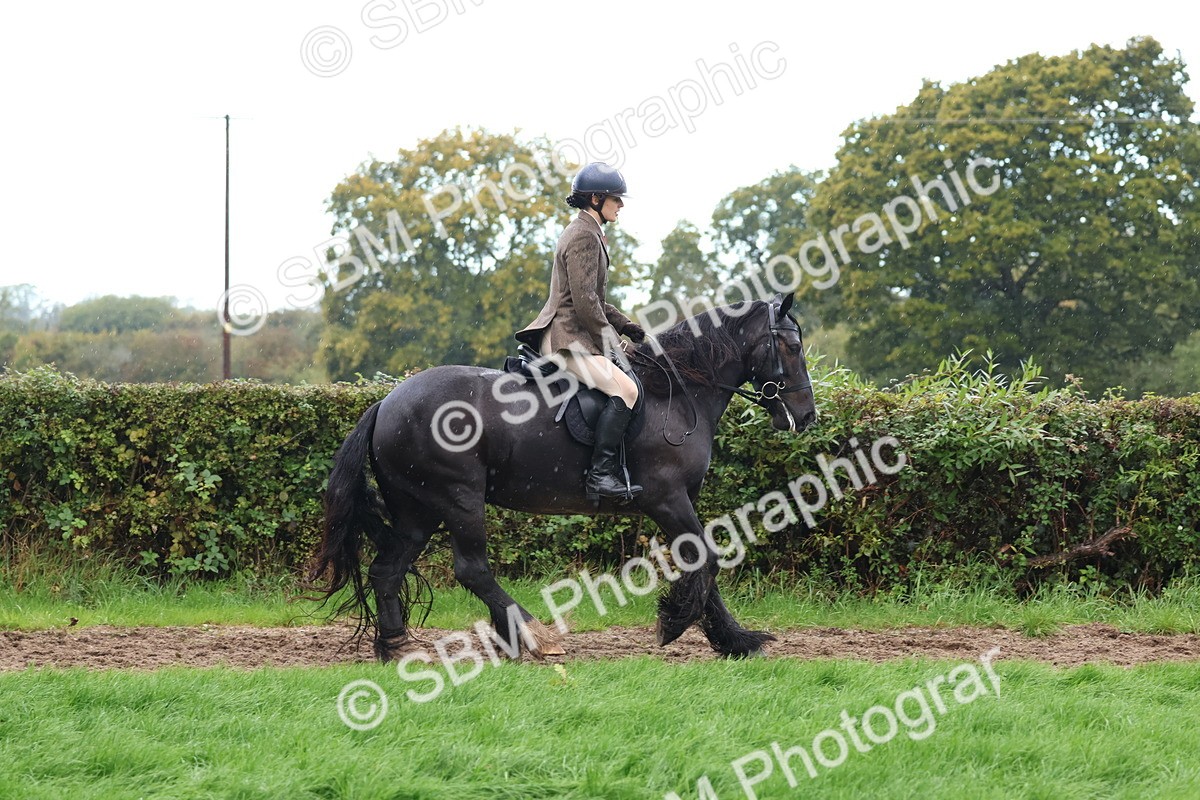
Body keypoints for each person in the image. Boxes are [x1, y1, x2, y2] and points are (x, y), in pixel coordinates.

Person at [516, 162, 646, 500]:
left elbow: (595, 300)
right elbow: (586, 304)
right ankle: (600, 476)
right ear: (596, 198)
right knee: (627, 391)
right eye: (616, 199)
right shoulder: (583, 235)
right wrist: (614, 344)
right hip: (566, 339)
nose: (621, 205)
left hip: (577, 334)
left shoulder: (590, 232)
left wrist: (630, 328)